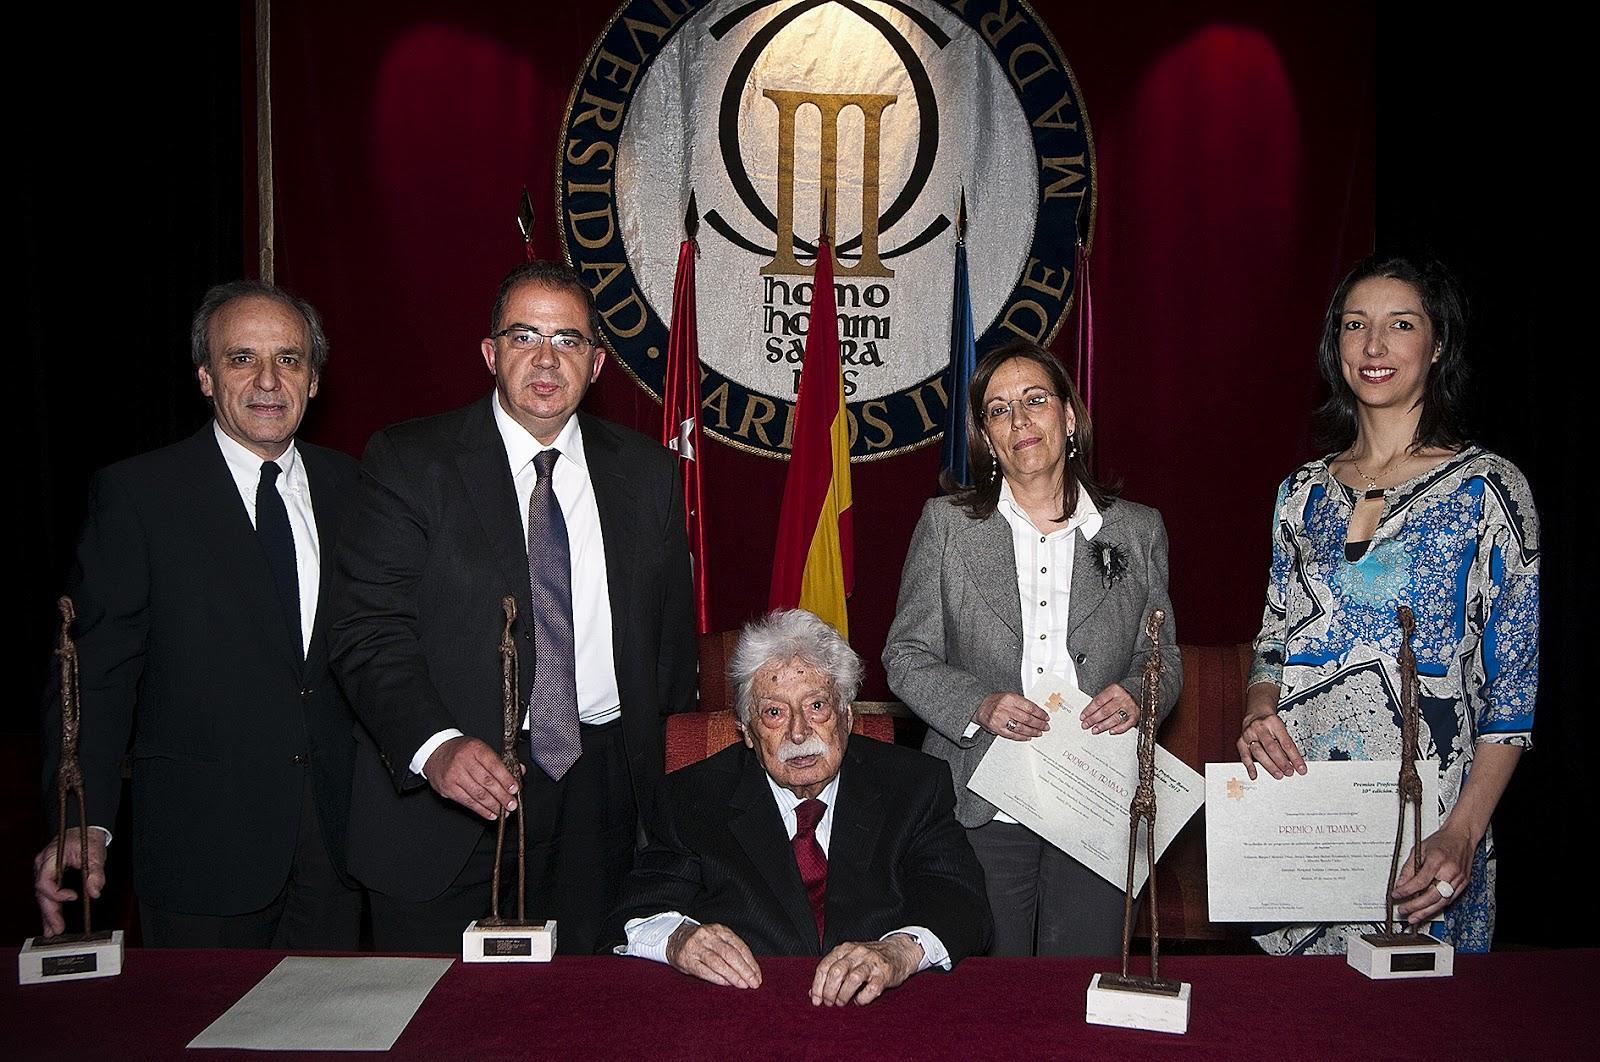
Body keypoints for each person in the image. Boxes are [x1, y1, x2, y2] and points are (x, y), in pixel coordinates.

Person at [331, 259, 696, 954]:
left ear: (596, 364)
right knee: (442, 1025)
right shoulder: (410, 462)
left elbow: (669, 650)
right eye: (525, 336)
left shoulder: (648, 474)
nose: (546, 359)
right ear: (490, 353)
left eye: (568, 341)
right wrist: (434, 748)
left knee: (587, 1023)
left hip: (603, 801)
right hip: (454, 802)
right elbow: (367, 632)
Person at [34, 281, 362, 948]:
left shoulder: (358, 489)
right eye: (243, 359)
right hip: (202, 853)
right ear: (206, 377)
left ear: (315, 379)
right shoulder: (139, 497)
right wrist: (82, 821)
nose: (268, 380)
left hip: (335, 853)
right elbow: (94, 675)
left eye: (289, 360)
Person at [1242, 253, 1538, 954]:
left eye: (1399, 325)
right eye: (1355, 325)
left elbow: (1515, 692)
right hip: (1303, 821)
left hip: (1429, 838)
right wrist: (1258, 707)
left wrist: (1463, 832)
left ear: (1436, 345)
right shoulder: (1301, 491)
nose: (1373, 346)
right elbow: (1273, 637)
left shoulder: (1488, 490)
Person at [883, 338, 1180, 956]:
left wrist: (1136, 695)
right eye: (998, 410)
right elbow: (904, 656)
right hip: (981, 797)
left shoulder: (1137, 529)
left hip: (1094, 795)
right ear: (986, 439)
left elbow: (1163, 660)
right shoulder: (946, 526)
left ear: (1069, 417)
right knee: (988, 1001)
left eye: (1034, 400)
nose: (1019, 421)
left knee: (1082, 988)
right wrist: (978, 704)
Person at [609, 609, 990, 1005]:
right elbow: (637, 914)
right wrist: (681, 939)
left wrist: (898, 952)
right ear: (747, 731)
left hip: (877, 1010)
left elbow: (961, 901)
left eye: (816, 707)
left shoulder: (913, 785)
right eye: (774, 712)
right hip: (744, 1013)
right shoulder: (691, 799)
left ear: (846, 716)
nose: (798, 731)